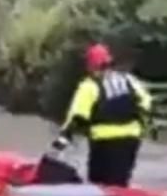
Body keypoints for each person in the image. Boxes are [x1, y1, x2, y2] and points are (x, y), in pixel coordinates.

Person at [48, 43, 154, 187]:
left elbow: (77, 117)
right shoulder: (129, 80)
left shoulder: (89, 86)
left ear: (91, 65)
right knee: (120, 181)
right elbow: (146, 104)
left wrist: (59, 144)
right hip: (131, 141)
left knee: (99, 184)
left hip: (104, 143)